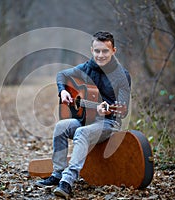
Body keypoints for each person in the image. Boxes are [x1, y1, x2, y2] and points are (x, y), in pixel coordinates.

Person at [35, 31, 131, 199]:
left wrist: (108, 110)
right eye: (97, 51)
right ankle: (57, 174)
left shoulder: (122, 76)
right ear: (92, 50)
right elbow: (61, 75)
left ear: (113, 51)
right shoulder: (87, 67)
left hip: (108, 123)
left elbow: (122, 111)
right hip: (86, 119)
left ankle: (67, 181)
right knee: (61, 127)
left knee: (81, 133)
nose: (100, 55)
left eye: (105, 51)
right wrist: (63, 91)